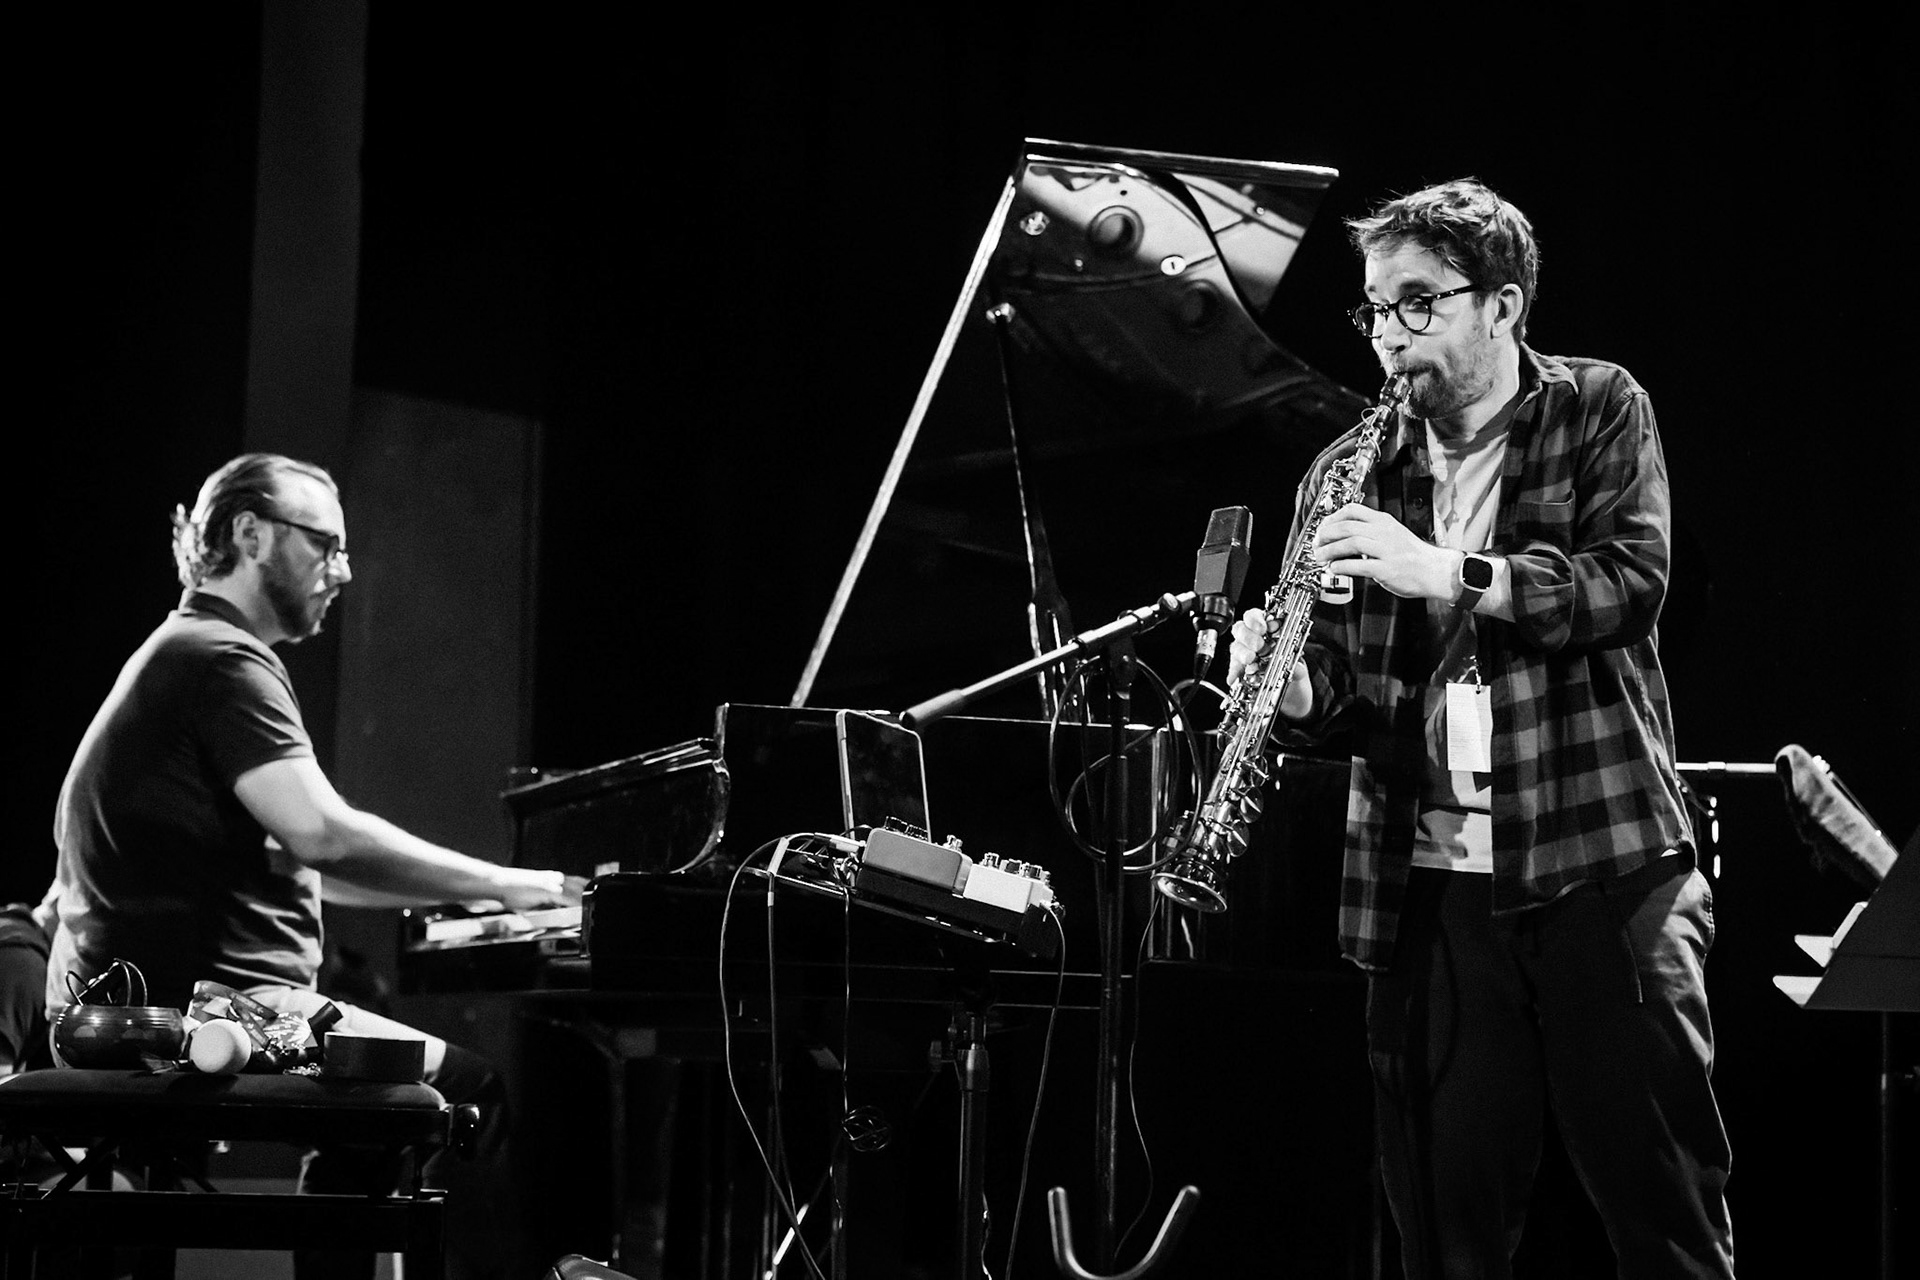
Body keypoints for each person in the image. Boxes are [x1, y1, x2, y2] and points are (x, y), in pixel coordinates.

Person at [1229, 179, 1734, 1278]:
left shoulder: (1599, 405)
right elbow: (1344, 681)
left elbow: (1629, 584)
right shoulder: (1349, 470)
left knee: (1667, 1223)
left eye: (1419, 304)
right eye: (1375, 310)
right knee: (1445, 1239)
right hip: (1427, 889)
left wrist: (1446, 570)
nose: (1389, 335)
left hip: (1604, 868)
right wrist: (1297, 689)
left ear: (1501, 306)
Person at [42, 452, 583, 1279]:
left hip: (159, 998)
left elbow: (306, 863)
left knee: (383, 1103)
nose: (343, 569)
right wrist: (518, 885)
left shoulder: (182, 651)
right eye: (323, 544)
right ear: (252, 536)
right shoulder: (225, 661)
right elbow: (323, 836)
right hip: (218, 1010)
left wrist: (470, 904)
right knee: (466, 1088)